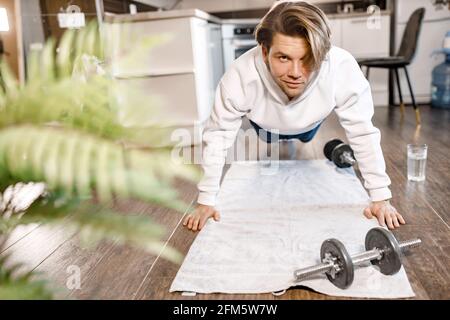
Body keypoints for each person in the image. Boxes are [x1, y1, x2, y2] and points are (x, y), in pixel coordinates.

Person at [183, 1, 406, 232]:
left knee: (306, 136)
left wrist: (381, 198)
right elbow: (218, 134)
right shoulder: (240, 74)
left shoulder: (341, 66)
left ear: (323, 53)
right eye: (283, 58)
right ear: (264, 51)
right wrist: (206, 200)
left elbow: (362, 131)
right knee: (271, 136)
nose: (296, 73)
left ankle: (302, 134)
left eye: (307, 59)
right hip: (266, 127)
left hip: (311, 123)